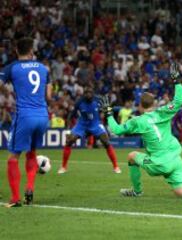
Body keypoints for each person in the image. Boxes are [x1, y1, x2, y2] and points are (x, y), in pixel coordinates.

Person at [99, 62, 182, 198]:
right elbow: (180, 100)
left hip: (158, 163)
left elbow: (116, 129)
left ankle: (136, 191)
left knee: (132, 157)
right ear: (154, 103)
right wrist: (176, 80)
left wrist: (109, 113)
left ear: (140, 106)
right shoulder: (163, 112)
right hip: (176, 160)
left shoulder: (138, 121)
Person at [0, 37, 52, 207]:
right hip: (43, 116)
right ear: (31, 51)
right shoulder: (44, 68)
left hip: (25, 116)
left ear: (16, 51)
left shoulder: (11, 68)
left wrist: (9, 91)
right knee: (32, 152)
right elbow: (49, 96)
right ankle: (30, 188)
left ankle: (15, 198)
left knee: (13, 157)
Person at [57, 86, 120, 174]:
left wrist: (107, 112)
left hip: (95, 124)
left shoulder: (99, 100)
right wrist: (68, 129)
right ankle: (63, 167)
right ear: (84, 94)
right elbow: (71, 115)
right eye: (86, 93)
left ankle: (116, 167)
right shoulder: (79, 102)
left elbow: (108, 110)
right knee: (69, 141)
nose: (88, 94)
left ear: (93, 93)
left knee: (106, 141)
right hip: (82, 124)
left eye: (90, 92)